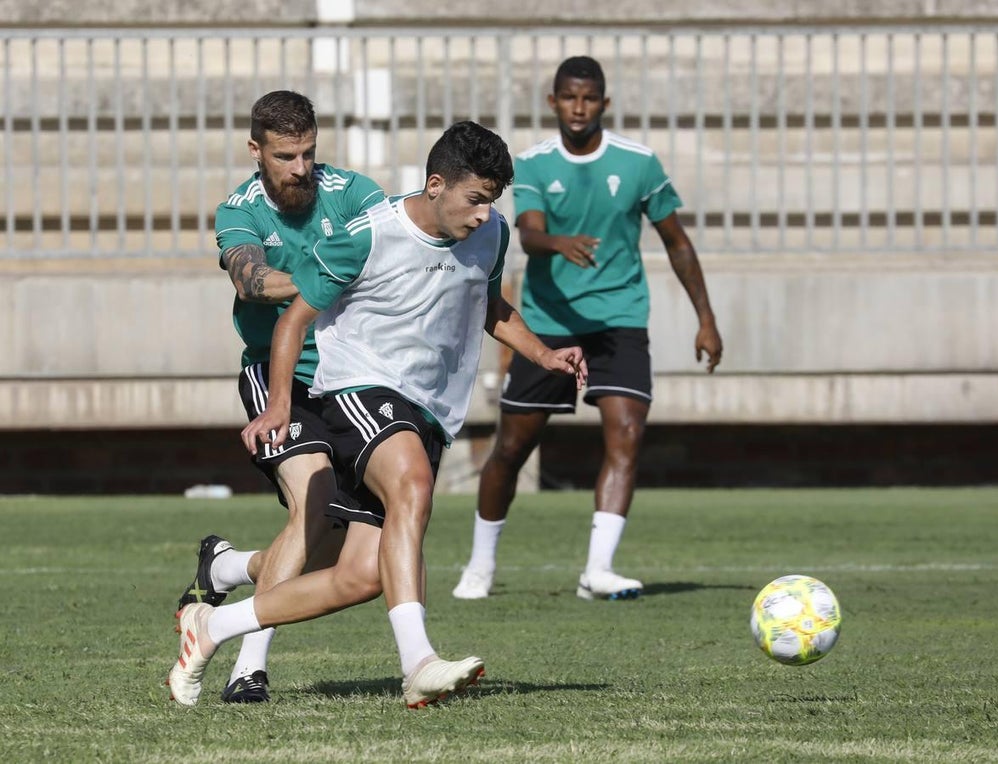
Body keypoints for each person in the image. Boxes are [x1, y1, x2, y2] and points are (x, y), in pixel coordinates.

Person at [166, 120, 588, 709]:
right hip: (359, 390)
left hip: (429, 407)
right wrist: (281, 404)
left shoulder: (491, 233)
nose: (481, 214)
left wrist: (544, 353)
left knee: (360, 575)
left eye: (491, 202)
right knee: (409, 484)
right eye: (473, 200)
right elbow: (292, 320)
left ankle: (212, 627)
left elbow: (488, 303)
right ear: (436, 184)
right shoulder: (368, 235)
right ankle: (418, 663)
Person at [453, 56, 723, 602]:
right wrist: (558, 243)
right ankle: (480, 565)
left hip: (620, 321)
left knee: (627, 436)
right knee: (512, 447)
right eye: (569, 98)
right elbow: (528, 235)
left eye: (590, 98)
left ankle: (597, 570)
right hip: (549, 326)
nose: (579, 108)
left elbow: (676, 241)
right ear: (553, 102)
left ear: (604, 102)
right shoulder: (531, 163)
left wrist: (707, 319)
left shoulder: (639, 162)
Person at [173, 90, 384, 703]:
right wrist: (329, 280)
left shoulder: (356, 194)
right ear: (256, 151)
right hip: (274, 372)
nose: (301, 168)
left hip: (349, 377)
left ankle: (226, 567)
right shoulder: (238, 211)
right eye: (286, 155)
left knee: (330, 550)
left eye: (309, 153)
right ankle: (249, 666)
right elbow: (253, 280)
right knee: (313, 503)